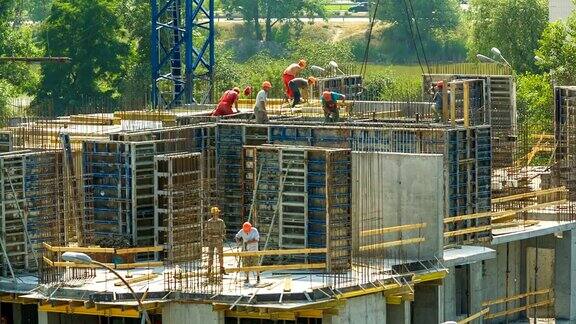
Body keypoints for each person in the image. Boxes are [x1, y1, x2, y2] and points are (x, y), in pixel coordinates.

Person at [205, 206, 226, 276]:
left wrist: (222, 236)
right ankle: (209, 270)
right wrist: (209, 237)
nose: (216, 214)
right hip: (211, 241)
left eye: (216, 213)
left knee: (220, 255)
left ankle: (222, 269)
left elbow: (224, 231)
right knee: (210, 256)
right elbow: (206, 232)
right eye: (215, 213)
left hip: (219, 240)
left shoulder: (221, 222)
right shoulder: (209, 222)